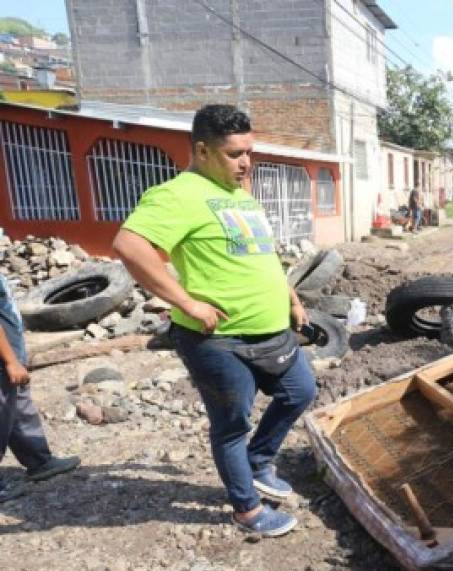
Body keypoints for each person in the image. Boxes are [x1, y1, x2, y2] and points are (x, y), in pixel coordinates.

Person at [112, 104, 316, 537]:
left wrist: (292, 298)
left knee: (301, 391)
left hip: (272, 332)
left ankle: (260, 462)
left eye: (249, 152)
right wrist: (188, 303)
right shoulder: (177, 194)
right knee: (231, 426)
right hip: (219, 340)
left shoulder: (241, 197)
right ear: (202, 150)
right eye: (234, 154)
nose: (245, 163)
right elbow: (130, 246)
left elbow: (265, 258)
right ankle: (247, 510)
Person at [0, 273, 80, 503]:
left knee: (18, 406)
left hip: (11, 355)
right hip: (5, 359)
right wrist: (10, 361)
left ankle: (39, 461)